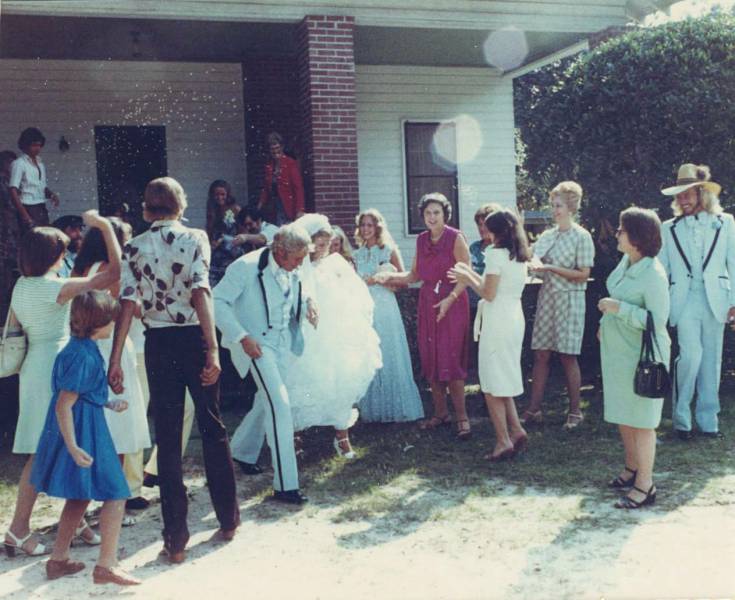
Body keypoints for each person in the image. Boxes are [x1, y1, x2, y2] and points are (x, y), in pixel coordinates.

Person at [108, 177, 239, 564]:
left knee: (166, 438)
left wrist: (114, 358)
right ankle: (228, 520)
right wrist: (212, 348)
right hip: (194, 339)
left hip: (159, 343)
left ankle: (175, 539)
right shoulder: (195, 237)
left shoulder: (134, 246)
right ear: (180, 205)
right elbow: (201, 290)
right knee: (212, 426)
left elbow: (127, 302)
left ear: (147, 209)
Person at [5, 211, 121, 557]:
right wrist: (105, 228)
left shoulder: (21, 285)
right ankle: (18, 529)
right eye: (63, 250)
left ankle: (73, 521)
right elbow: (114, 273)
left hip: (34, 367)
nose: (66, 255)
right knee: (52, 448)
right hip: (56, 364)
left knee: (46, 448)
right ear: (52, 255)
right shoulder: (56, 287)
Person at [30, 291, 140, 585]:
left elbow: (80, 394)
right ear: (97, 323)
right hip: (83, 431)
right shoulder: (83, 356)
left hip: (84, 423)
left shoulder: (78, 348)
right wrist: (73, 446)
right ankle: (106, 566)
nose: (113, 326)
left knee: (80, 495)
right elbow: (63, 404)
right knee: (116, 492)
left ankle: (58, 560)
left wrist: (107, 402)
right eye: (111, 321)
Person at [214, 223, 317, 505]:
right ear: (280, 252)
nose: (300, 264)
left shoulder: (292, 265)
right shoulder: (244, 267)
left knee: (266, 400)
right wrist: (241, 336)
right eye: (297, 258)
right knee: (280, 405)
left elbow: (297, 288)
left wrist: (308, 302)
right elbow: (216, 302)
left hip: (283, 344)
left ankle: (241, 451)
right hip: (257, 346)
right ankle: (286, 485)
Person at [374, 193, 471, 439]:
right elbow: (414, 275)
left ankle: (462, 417)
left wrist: (450, 299)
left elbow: (466, 276)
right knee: (431, 358)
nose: (432, 217)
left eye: (436, 212)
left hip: (452, 302)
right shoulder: (421, 240)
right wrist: (388, 277)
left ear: (445, 214)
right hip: (428, 302)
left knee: (451, 359)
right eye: (428, 213)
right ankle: (440, 413)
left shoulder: (455, 238)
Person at [285, 214, 382, 457]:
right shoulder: (297, 268)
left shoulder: (337, 264)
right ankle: (295, 437)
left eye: (327, 243)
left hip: (335, 330)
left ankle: (342, 437)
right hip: (308, 333)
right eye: (319, 243)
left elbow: (357, 293)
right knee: (302, 379)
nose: (323, 248)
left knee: (341, 380)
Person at [73, 218, 151, 510]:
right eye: (125, 238)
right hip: (116, 349)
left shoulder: (82, 270)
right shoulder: (111, 271)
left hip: (92, 349)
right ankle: (120, 492)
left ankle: (103, 490)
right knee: (123, 423)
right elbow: (134, 309)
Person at [598, 207, 670, 509]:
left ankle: (645, 484)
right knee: (624, 415)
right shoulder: (627, 261)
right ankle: (632, 468)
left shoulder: (653, 274)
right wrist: (604, 323)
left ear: (638, 237)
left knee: (642, 421)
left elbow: (658, 320)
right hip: (619, 354)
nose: (617, 234)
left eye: (622, 230)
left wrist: (619, 310)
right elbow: (616, 295)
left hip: (642, 357)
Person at [659, 164, 735, 440]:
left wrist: (734, 301)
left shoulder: (725, 222)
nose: (682, 200)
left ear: (702, 193)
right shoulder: (669, 228)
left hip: (717, 299)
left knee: (711, 360)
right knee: (690, 356)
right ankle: (682, 420)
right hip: (684, 300)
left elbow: (733, 262)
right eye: (679, 195)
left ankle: (708, 421)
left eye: (687, 194)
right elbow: (662, 268)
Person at [449, 209, 530, 461]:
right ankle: (516, 430)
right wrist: (470, 274)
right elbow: (492, 286)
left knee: (492, 383)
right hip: (513, 317)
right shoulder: (519, 254)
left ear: (496, 232)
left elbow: (488, 293)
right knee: (502, 376)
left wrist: (467, 277)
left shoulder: (495, 253)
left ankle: (503, 440)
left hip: (497, 320)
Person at [522, 182, 595, 430]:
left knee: (567, 355)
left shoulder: (582, 236)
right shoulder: (548, 235)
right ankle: (534, 409)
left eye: (559, 206)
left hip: (570, 299)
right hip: (548, 297)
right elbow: (531, 257)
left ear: (571, 207)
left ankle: (575, 412)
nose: (554, 210)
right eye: (553, 205)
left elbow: (583, 274)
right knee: (541, 353)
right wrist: (532, 262)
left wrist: (551, 268)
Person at [353, 209, 424, 423]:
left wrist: (384, 278)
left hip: (385, 306)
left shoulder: (388, 250)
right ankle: (373, 409)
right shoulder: (356, 255)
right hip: (364, 307)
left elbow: (405, 280)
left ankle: (396, 406)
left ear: (378, 227)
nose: (366, 229)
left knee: (388, 350)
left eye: (370, 225)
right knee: (369, 353)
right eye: (363, 225)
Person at [9, 127, 60, 229]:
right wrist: (26, 216)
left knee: (45, 235)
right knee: (31, 237)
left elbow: (40, 186)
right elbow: (13, 190)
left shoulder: (40, 163)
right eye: (34, 145)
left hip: (41, 206)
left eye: (39, 145)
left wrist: (51, 195)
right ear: (25, 145)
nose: (37, 148)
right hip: (27, 206)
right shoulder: (19, 163)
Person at [257, 132, 305, 225]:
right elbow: (266, 189)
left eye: (277, 147)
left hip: (288, 207)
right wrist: (260, 205)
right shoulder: (269, 166)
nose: (275, 151)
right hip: (274, 207)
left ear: (282, 147)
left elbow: (298, 188)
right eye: (272, 149)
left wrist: (300, 209)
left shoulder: (290, 163)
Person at [206, 180, 241, 287]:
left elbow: (242, 231)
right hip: (216, 252)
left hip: (231, 250)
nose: (220, 197)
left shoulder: (235, 209)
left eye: (223, 194)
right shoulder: (212, 209)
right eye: (216, 194)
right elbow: (209, 229)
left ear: (228, 194)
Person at [0, 150, 19, 318]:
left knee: (10, 272)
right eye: (10, 163)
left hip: (11, 234)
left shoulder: (12, 182)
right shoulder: (2, 183)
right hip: (4, 234)